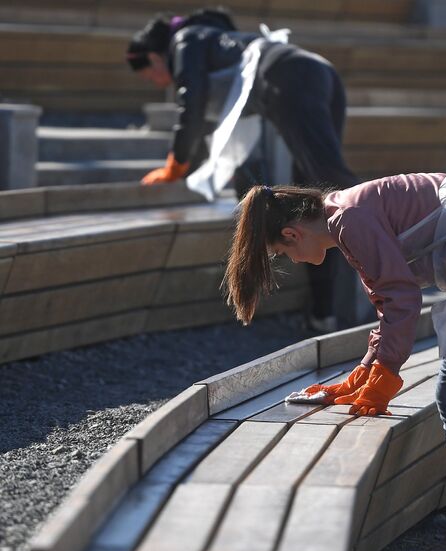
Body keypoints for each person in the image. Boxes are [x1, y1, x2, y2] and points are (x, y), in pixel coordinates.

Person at [222, 167, 446, 551]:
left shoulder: (348, 219)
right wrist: (361, 375)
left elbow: (402, 299)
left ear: (292, 234)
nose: (291, 260)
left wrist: (386, 375)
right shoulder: (343, 214)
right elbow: (388, 302)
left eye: (281, 254)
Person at [126, 10, 359, 332]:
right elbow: (215, 124)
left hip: (291, 75)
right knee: (318, 196)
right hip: (318, 70)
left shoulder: (186, 39)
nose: (156, 82)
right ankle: (324, 312)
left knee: (337, 189)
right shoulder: (216, 42)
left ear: (154, 56)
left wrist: (174, 166)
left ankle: (391, 247)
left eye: (150, 74)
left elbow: (190, 103)